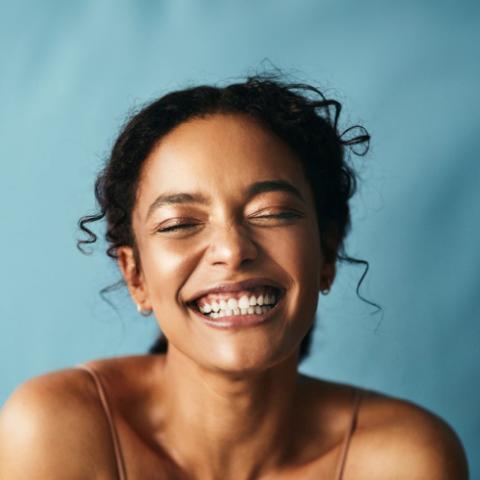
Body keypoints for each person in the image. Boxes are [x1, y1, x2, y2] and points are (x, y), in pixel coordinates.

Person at [0, 75, 468, 479]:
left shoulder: (406, 460)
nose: (232, 250)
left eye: (272, 213)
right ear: (135, 275)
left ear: (327, 253)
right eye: (180, 224)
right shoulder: (55, 430)